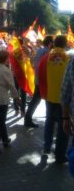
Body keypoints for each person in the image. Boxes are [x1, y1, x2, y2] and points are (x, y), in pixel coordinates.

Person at [38, 35, 70, 163]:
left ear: (54, 43)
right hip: (64, 100)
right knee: (64, 127)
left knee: (49, 123)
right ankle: (60, 155)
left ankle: (46, 148)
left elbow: (40, 77)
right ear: (65, 44)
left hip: (49, 97)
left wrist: (44, 93)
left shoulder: (45, 58)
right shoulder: (68, 58)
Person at [24, 35, 54, 127]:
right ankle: (29, 119)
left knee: (36, 100)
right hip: (43, 80)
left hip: (38, 79)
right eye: (52, 43)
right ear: (49, 44)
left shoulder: (40, 50)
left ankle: (28, 119)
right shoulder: (46, 52)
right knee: (40, 100)